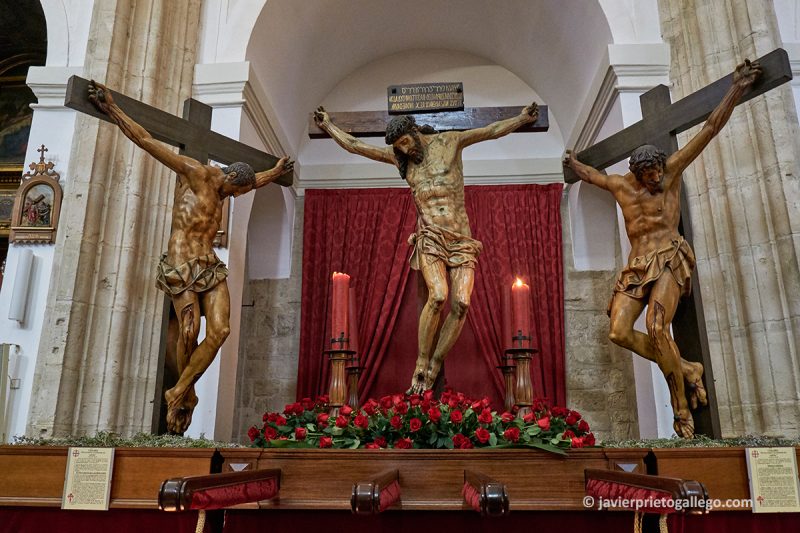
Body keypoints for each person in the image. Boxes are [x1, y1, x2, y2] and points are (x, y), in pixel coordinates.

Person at [563, 59, 762, 437]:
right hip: (637, 264)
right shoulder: (622, 187)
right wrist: (573, 162)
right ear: (637, 173)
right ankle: (687, 368)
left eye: (658, 172)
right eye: (649, 175)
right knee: (618, 332)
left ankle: (681, 409)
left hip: (670, 257)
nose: (656, 178)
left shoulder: (671, 172)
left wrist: (736, 89)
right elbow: (593, 176)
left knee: (657, 327)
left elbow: (708, 130)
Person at [89, 80, 294, 434]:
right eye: (237, 191)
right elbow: (146, 140)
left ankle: (180, 390)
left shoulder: (235, 186)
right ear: (229, 177)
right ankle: (182, 394)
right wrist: (112, 108)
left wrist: (275, 172)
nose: (236, 197)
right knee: (188, 330)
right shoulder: (196, 173)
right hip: (181, 264)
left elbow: (255, 180)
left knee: (221, 329)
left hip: (208, 266)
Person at [314, 103, 539, 394]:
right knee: (438, 295)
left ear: (414, 131)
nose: (405, 150)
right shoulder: (400, 160)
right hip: (430, 236)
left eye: (405, 142)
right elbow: (356, 146)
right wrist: (329, 126)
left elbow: (491, 131)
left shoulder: (450, 142)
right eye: (399, 147)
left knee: (461, 303)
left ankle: (434, 363)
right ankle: (421, 363)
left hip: (461, 239)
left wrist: (522, 118)